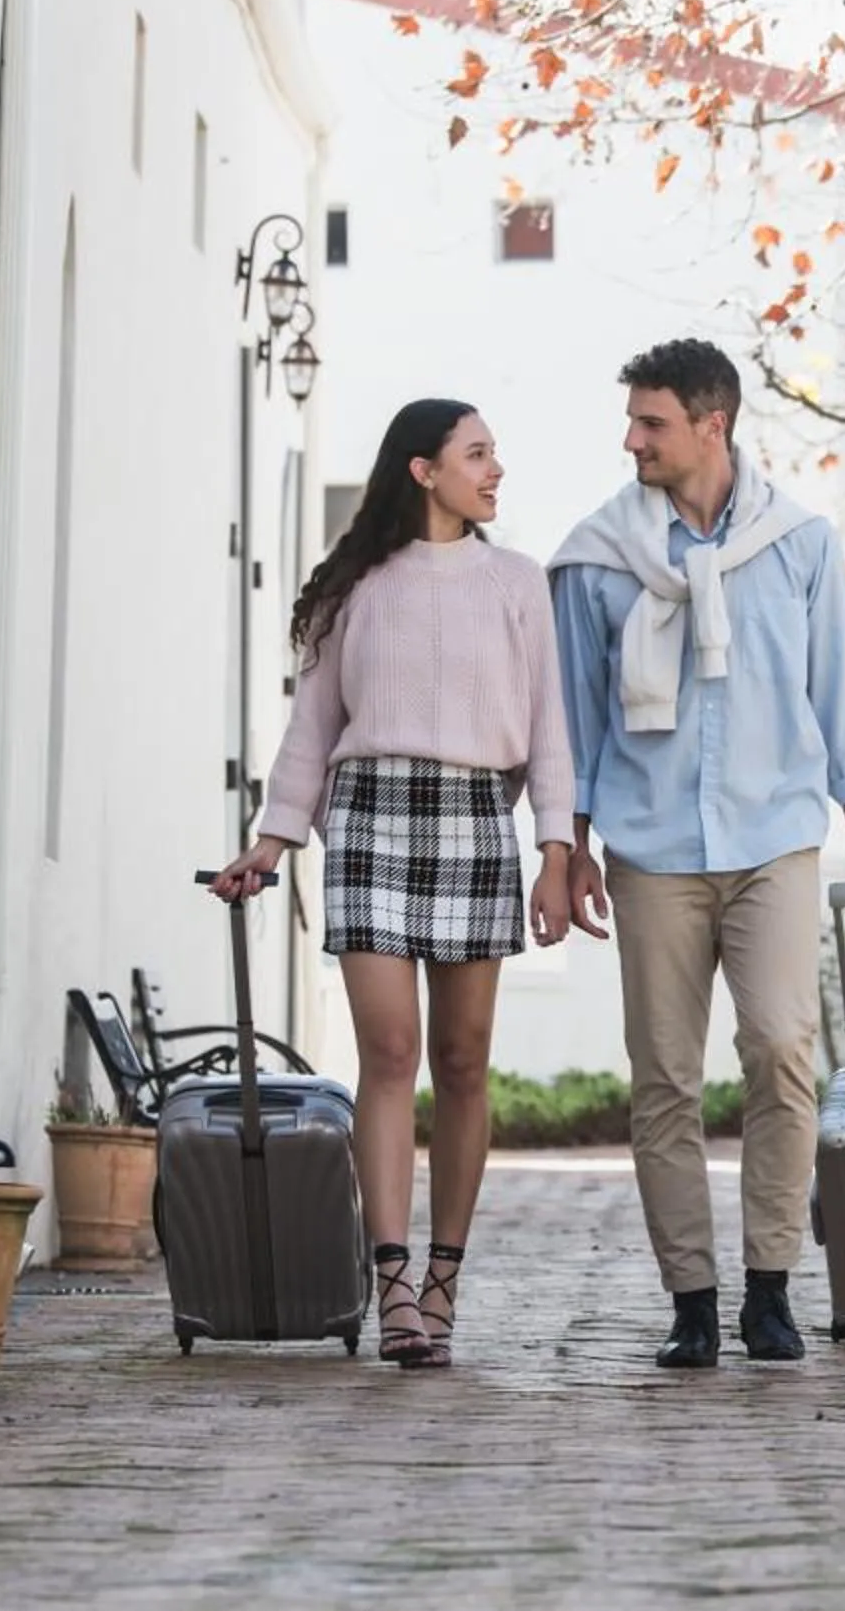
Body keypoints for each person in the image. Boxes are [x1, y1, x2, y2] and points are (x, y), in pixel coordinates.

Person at [548, 339, 845, 1369]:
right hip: (652, 846)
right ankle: (692, 1302)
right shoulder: (598, 557)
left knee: (783, 1051)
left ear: (714, 424)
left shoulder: (798, 544)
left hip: (774, 840)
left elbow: (838, 706)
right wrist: (567, 849)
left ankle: (769, 1289)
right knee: (663, 1075)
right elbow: (574, 719)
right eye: (631, 421)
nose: (632, 440)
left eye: (651, 422)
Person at [213, 399, 574, 1368]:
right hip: (370, 819)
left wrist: (555, 849)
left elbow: (549, 729)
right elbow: (313, 726)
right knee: (390, 1050)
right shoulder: (356, 584)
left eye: (494, 453)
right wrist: (272, 840)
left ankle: (446, 1277)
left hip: (474, 821)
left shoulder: (518, 582)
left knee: (462, 1060)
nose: (496, 470)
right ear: (423, 471)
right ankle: (394, 1286)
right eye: (477, 454)